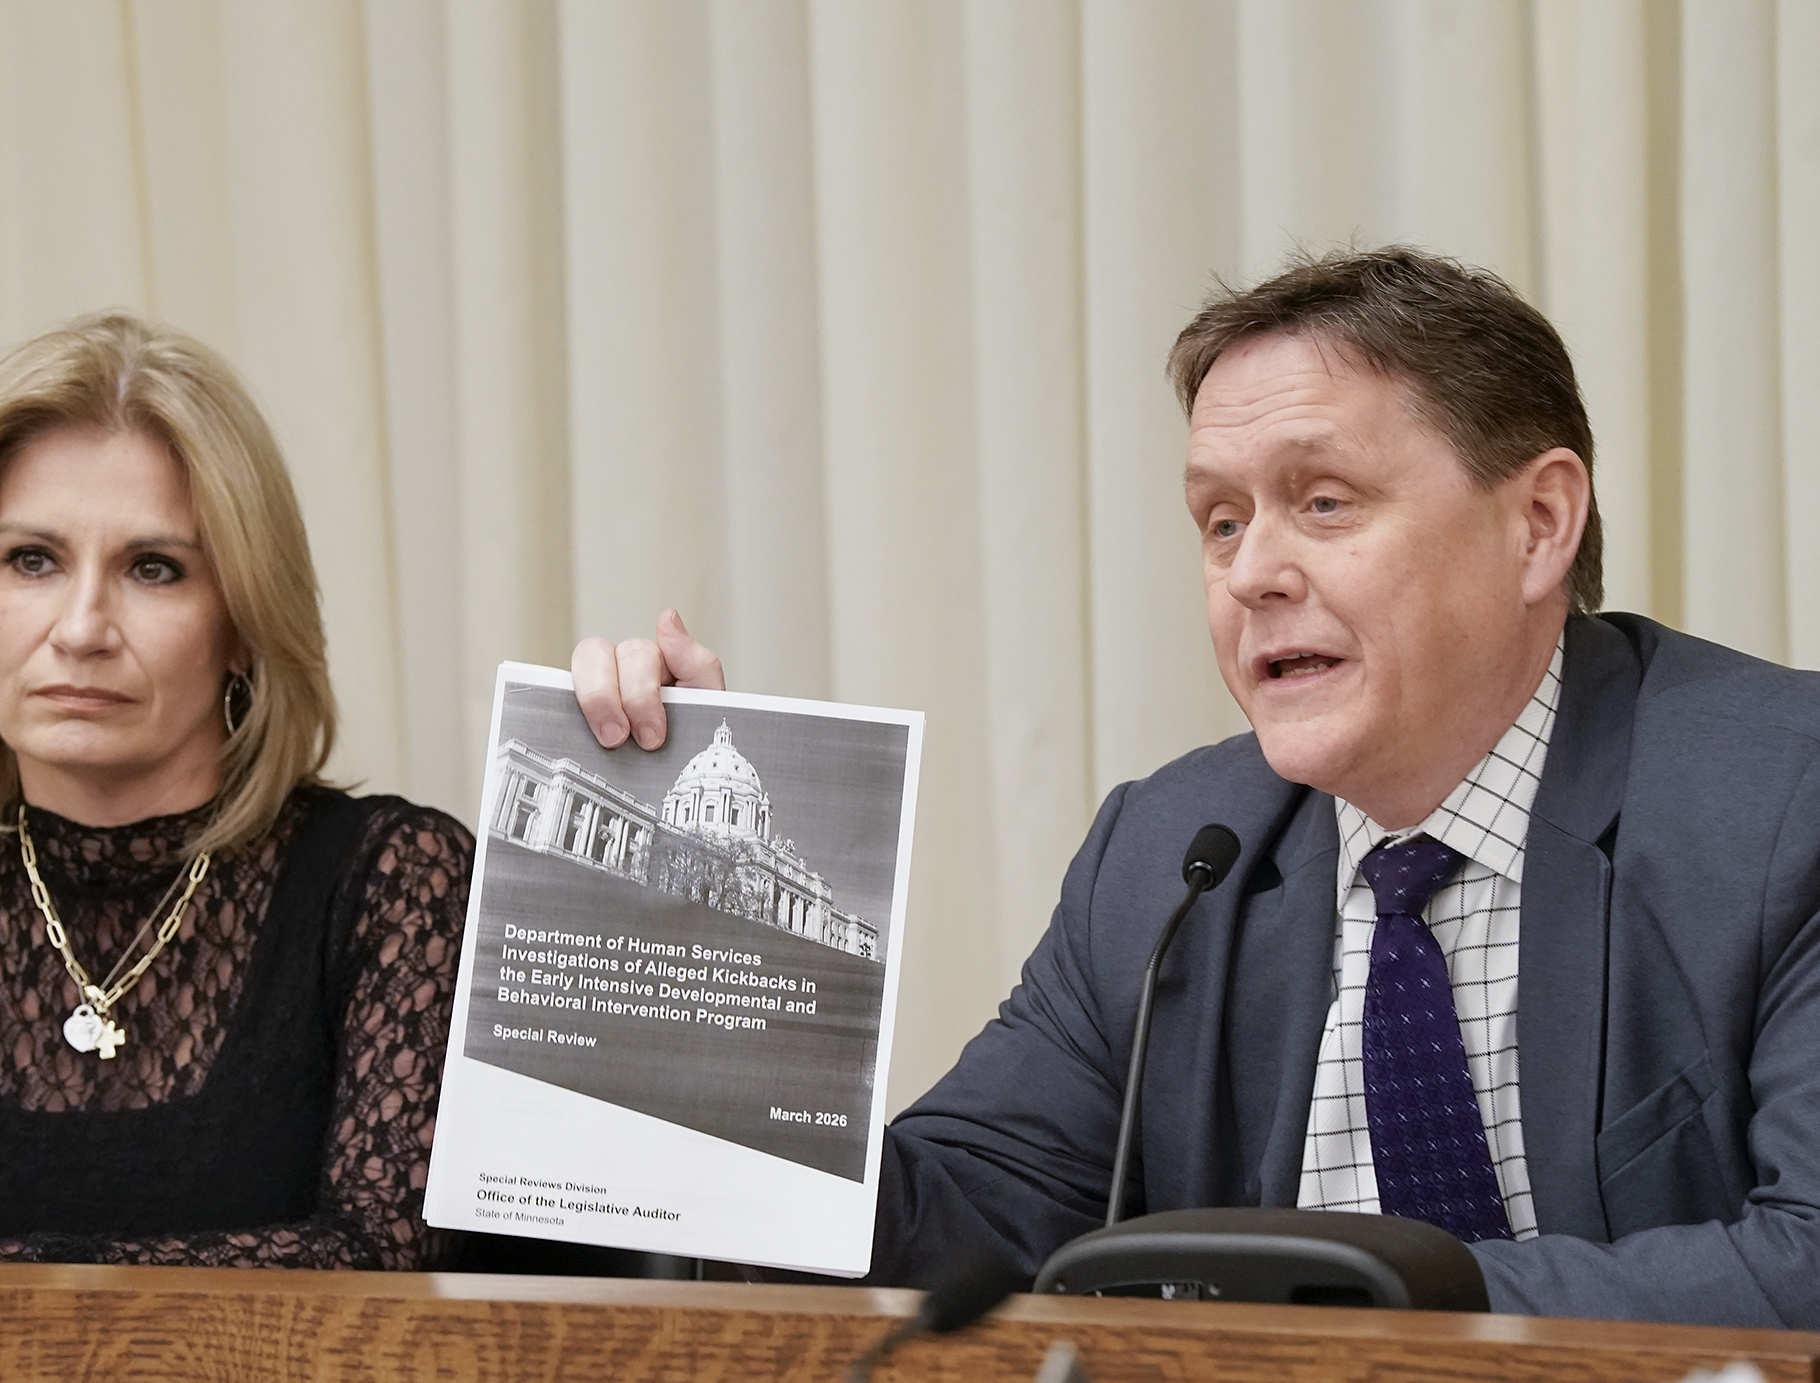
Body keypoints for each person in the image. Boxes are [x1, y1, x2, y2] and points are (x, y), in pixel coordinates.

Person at [573, 249, 1820, 1327]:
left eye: (1322, 502)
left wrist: (1373, 1321)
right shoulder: (1171, 854)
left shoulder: (1781, 797)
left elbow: (1806, 1259)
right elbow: (957, 1227)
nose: (1252, 572)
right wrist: (705, 912)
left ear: (1539, 522)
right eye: (1220, 523)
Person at [0, 313, 470, 1268]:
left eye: (152, 568)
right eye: (32, 559)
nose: (81, 628)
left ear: (240, 624)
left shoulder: (396, 882)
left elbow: (382, 1260)